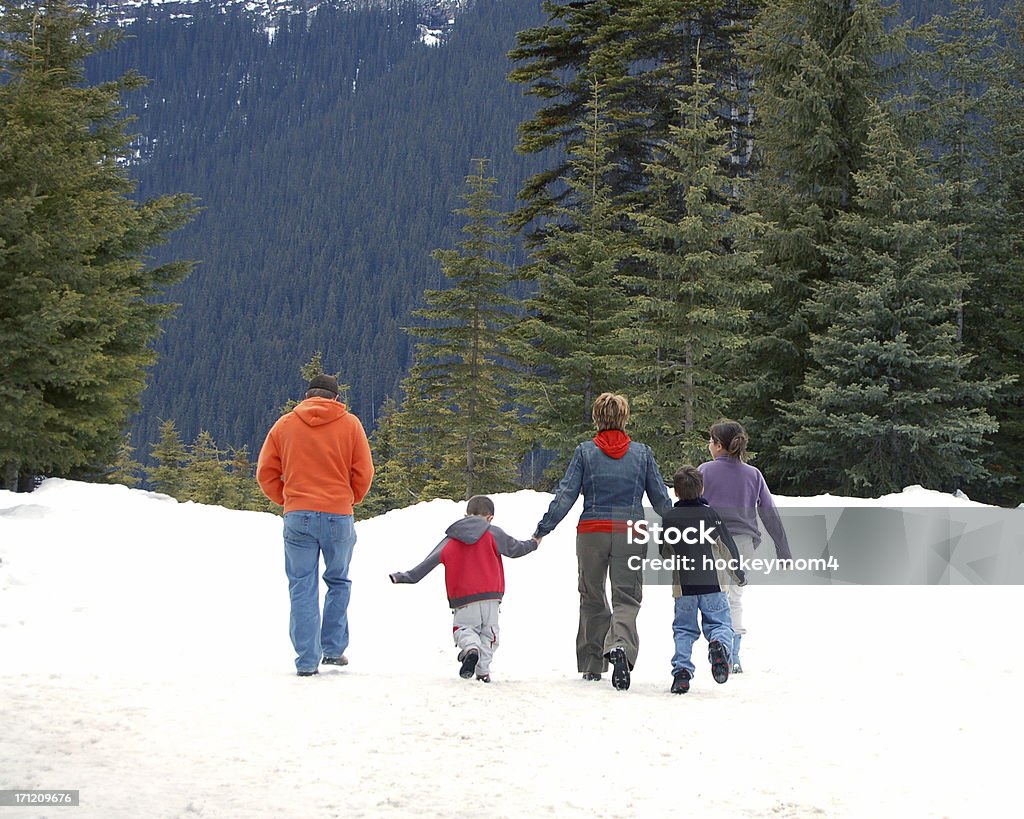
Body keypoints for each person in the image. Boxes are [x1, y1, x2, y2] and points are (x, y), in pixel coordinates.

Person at [533, 392, 674, 691]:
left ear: (597, 418)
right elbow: (661, 499)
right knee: (627, 596)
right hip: (632, 531)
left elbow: (566, 494)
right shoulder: (642, 453)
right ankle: (620, 645)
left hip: (592, 532)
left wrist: (543, 528)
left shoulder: (585, 452)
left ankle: (592, 663)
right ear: (624, 418)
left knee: (592, 594)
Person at [256, 374, 375, 677]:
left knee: (302, 585)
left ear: (307, 396)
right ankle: (333, 650)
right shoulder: (350, 425)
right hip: (338, 514)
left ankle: (307, 660)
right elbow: (363, 471)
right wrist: (350, 499)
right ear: (336, 398)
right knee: (338, 581)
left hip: (298, 515)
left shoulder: (285, 425)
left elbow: (266, 472)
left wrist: (286, 499)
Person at [389, 495, 538, 683]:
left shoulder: (452, 539)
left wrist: (405, 577)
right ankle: (483, 672)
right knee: (490, 635)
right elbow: (516, 549)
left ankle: (470, 649)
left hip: (464, 599)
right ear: (490, 518)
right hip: (491, 598)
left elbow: (427, 563)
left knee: (464, 629)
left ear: (465, 515)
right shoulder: (494, 533)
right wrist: (533, 543)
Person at [698, 419, 790, 673]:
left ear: (718, 445)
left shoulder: (704, 471)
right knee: (735, 597)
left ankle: (720, 644)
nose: (709, 445)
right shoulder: (753, 475)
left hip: (712, 540)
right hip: (743, 543)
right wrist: (783, 548)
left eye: (710, 441)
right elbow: (769, 512)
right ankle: (733, 656)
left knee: (715, 596)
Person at [660, 465, 746, 694]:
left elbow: (665, 552)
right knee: (720, 623)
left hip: (684, 587)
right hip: (713, 584)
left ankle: (682, 674)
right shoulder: (710, 515)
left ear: (676, 492)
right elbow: (727, 546)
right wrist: (738, 574)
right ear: (702, 489)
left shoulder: (670, 517)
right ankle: (718, 646)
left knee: (684, 630)